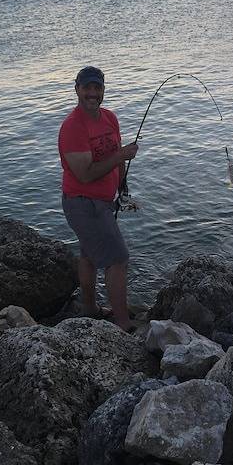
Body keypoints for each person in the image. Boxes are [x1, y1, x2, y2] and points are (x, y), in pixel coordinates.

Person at [58, 66, 138, 331]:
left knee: (89, 255)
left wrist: (122, 186)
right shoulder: (72, 127)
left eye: (97, 88)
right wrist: (120, 157)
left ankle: (90, 309)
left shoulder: (109, 118)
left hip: (103, 201)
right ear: (77, 89)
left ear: (103, 90)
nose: (92, 93)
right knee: (118, 260)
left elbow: (117, 156)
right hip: (82, 202)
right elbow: (84, 174)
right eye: (87, 88)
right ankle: (123, 323)